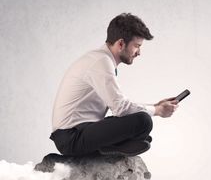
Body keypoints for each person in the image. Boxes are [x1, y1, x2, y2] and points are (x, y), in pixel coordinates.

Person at [50, 13, 178, 156]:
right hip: (71, 137)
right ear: (121, 44)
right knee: (143, 121)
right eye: (137, 46)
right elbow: (121, 109)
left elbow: (120, 106)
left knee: (141, 130)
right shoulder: (101, 62)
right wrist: (158, 110)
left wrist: (155, 105)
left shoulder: (101, 59)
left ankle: (110, 147)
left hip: (81, 130)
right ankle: (109, 147)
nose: (139, 53)